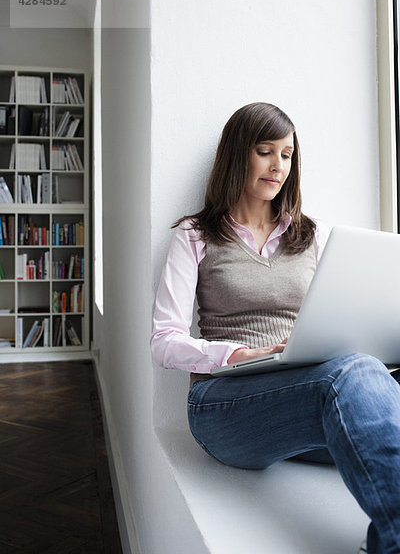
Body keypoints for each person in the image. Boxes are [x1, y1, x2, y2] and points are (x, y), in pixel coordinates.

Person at [150, 102, 400, 554]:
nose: (278, 166)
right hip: (223, 403)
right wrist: (236, 354)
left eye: (287, 155)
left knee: (365, 374)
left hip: (307, 393)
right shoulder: (195, 234)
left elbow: (342, 317)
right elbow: (164, 342)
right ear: (236, 155)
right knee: (353, 374)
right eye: (266, 151)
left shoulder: (312, 235)